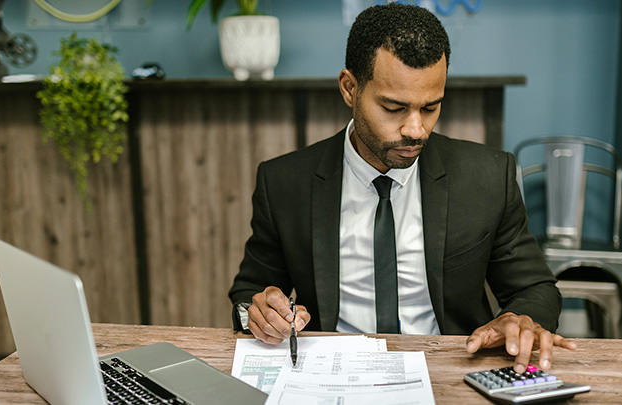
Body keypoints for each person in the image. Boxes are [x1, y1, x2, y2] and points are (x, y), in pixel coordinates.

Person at [228, 3, 576, 374]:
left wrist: (520, 318)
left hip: (453, 369)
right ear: (350, 88)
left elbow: (536, 289)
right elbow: (250, 293)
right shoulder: (285, 182)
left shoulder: (489, 177)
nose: (415, 129)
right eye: (394, 108)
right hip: (330, 373)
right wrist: (258, 312)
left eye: (430, 107)